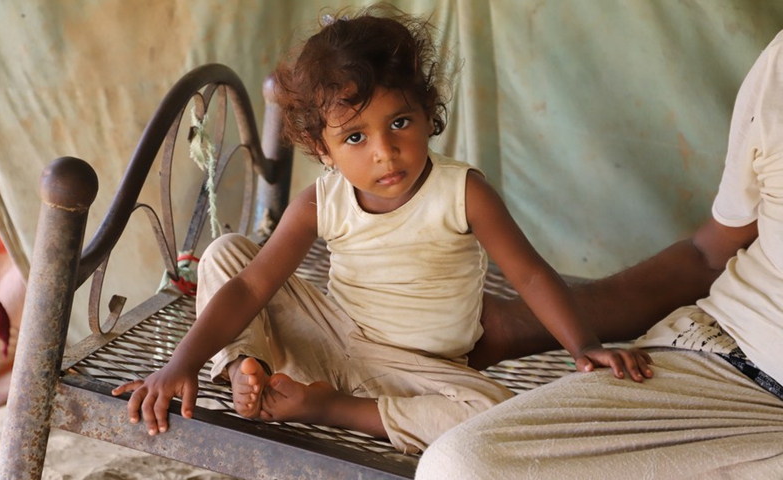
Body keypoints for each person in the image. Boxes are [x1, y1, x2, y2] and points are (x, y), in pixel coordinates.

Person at [111, 5, 651, 454]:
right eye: (354, 138)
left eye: (399, 123)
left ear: (427, 112)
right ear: (322, 148)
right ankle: (246, 370)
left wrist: (584, 347)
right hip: (328, 339)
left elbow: (531, 278)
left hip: (418, 370)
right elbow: (252, 287)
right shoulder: (319, 203)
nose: (384, 152)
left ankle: (327, 406)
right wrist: (180, 364)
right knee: (228, 254)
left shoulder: (464, 193)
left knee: (494, 416)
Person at [416, 30, 783, 479]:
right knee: (460, 467)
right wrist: (512, 328)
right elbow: (709, 255)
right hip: (717, 364)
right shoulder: (779, 69)